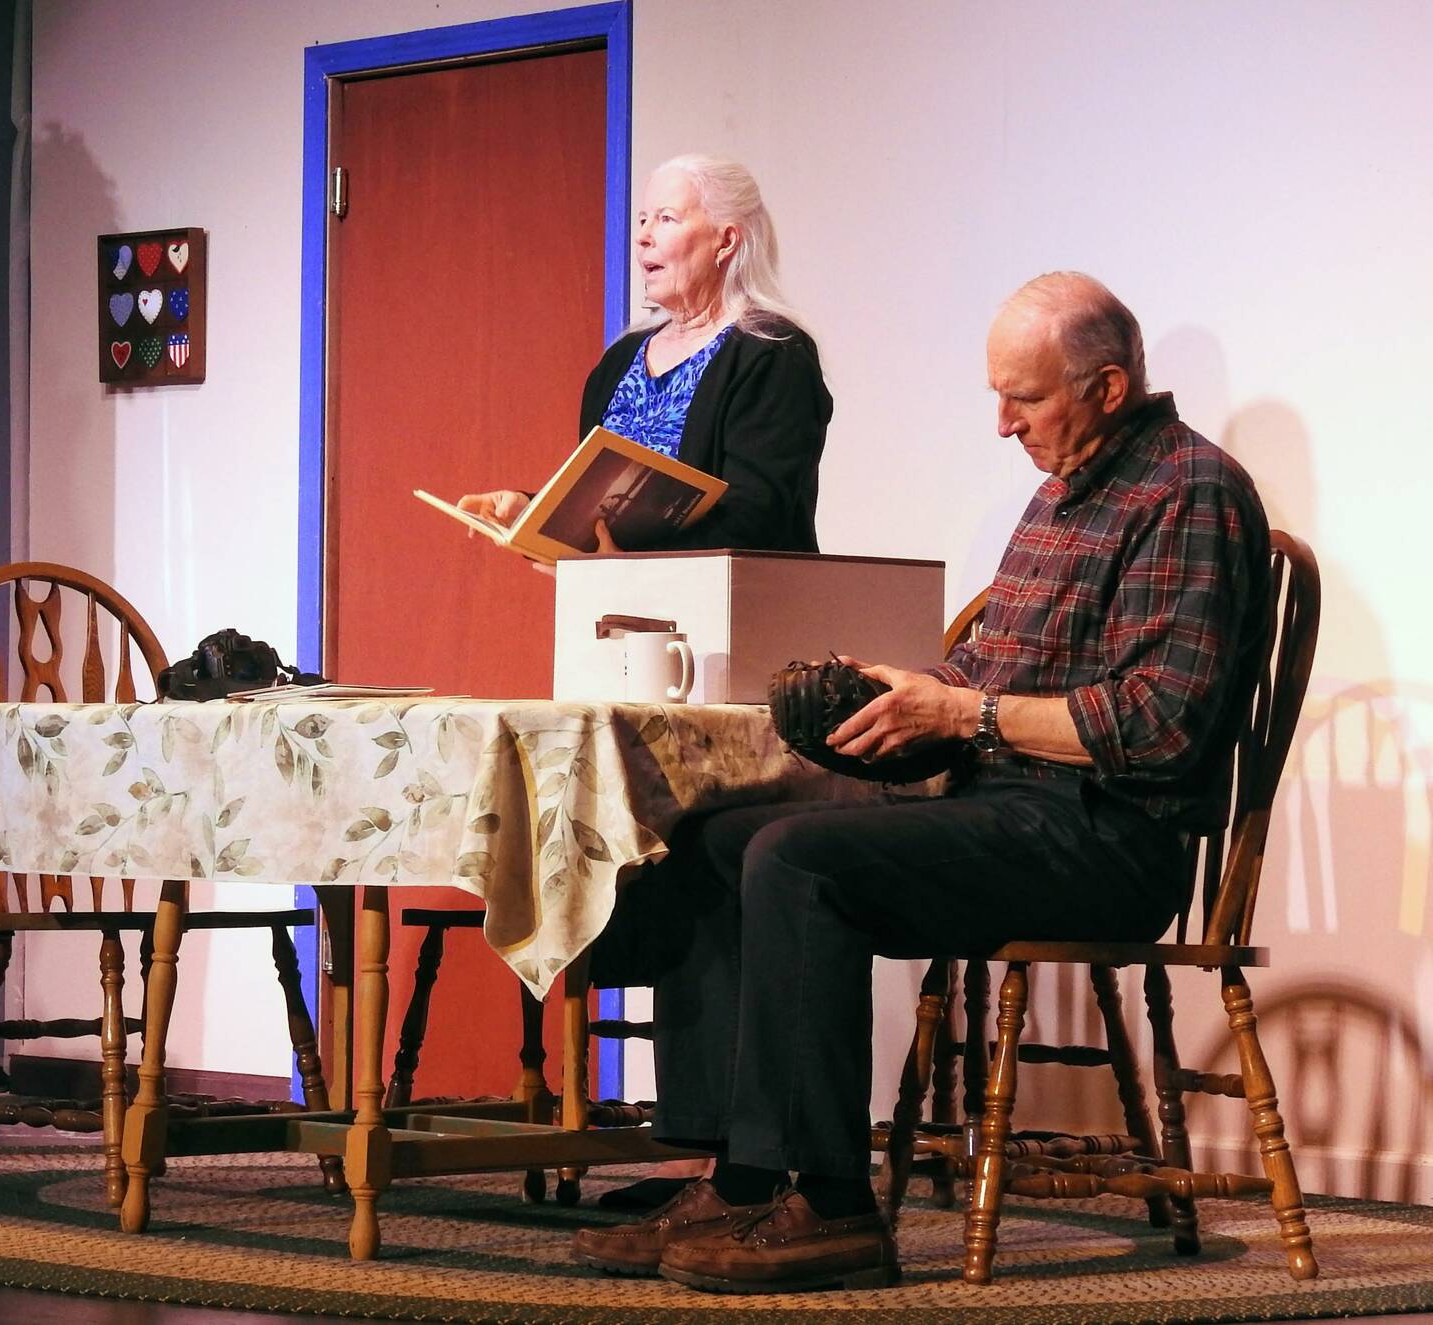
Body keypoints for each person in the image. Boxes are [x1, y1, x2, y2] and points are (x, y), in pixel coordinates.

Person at [571, 273, 1272, 1292]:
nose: (1003, 424)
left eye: (1024, 399)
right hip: (1007, 806)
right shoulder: (1062, 490)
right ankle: (737, 1175)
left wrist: (959, 714)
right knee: (715, 835)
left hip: (1109, 837)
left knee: (798, 858)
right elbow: (989, 675)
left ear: (1108, 388)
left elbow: (1157, 724)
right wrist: (894, 699)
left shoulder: (1187, 491)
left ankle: (832, 1206)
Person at [458, 154, 831, 553]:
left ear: (725, 241)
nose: (643, 237)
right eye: (642, 220)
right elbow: (601, 510)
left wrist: (634, 566)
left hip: (731, 592)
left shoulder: (774, 354)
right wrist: (529, 512)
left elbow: (755, 518)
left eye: (666, 219)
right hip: (618, 593)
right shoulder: (621, 358)